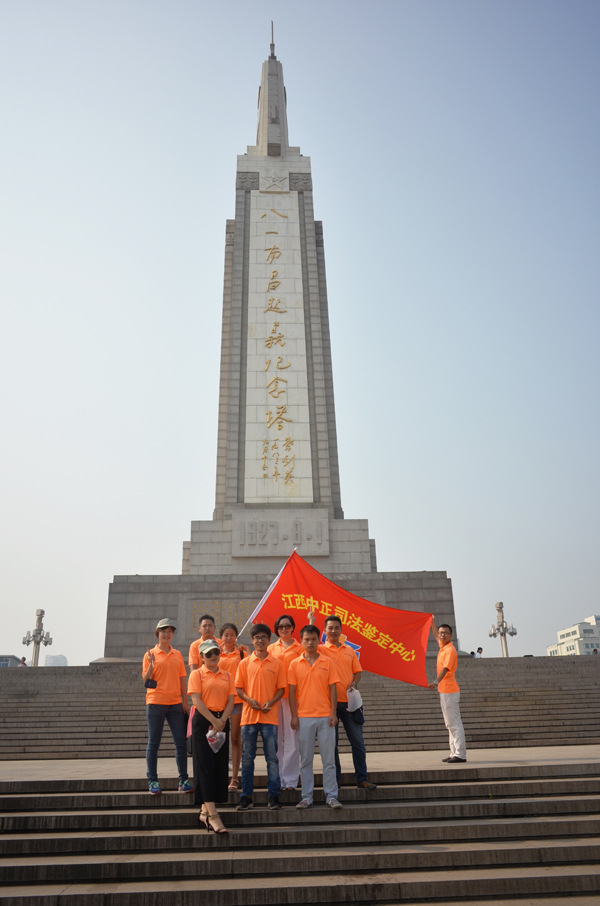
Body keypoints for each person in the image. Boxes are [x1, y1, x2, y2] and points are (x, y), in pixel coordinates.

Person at [315, 614, 377, 791]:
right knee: (331, 745)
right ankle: (335, 781)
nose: (333, 631)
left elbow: (357, 672)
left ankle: (362, 778)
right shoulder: (320, 650)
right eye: (330, 628)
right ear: (325, 631)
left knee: (357, 742)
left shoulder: (349, 651)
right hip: (329, 705)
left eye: (336, 628)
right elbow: (306, 644)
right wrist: (311, 622)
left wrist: (354, 682)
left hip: (350, 704)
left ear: (341, 630)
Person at [288, 624, 342, 809]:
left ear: (319, 640)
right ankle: (307, 796)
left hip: (326, 716)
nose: (310, 642)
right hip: (304, 717)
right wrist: (294, 716)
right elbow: (292, 692)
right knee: (306, 760)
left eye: (313, 639)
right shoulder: (294, 664)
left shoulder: (327, 662)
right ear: (301, 641)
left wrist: (333, 712)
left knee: (329, 760)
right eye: (306, 639)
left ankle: (332, 796)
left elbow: (333, 688)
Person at [235, 623, 286, 810]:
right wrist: (249, 699)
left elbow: (281, 689)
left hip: (269, 718)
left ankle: (274, 796)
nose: (260, 641)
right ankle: (246, 796)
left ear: (269, 640)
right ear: (252, 640)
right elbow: (238, 688)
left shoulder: (277, 663)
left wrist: (271, 703)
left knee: (272, 759)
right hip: (248, 718)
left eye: (264, 637)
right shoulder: (244, 663)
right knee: (247, 759)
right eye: (257, 638)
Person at [188, 639, 235, 834]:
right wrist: (213, 721)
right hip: (204, 722)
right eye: (208, 654)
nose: (213, 656)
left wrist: (222, 720)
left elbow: (231, 700)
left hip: (222, 721)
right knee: (205, 767)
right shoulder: (196, 674)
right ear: (202, 657)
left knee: (218, 767)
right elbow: (196, 700)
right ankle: (214, 816)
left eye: (215, 652)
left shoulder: (227, 675)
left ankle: (204, 812)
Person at [142, 618, 193, 795]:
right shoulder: (151, 654)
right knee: (153, 743)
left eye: (170, 631)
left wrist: (185, 702)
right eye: (164, 631)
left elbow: (182, 679)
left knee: (180, 742)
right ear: (158, 633)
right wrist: (151, 663)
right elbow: (146, 680)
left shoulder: (177, 654)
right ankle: (153, 781)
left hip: (175, 704)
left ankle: (183, 780)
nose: (167, 634)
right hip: (155, 702)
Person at [268, 614, 303, 791]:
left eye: (287, 625)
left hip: (292, 698)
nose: (284, 629)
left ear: (292, 628)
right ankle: (278, 779)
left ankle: (290, 780)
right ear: (276, 629)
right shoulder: (271, 648)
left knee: (291, 739)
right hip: (274, 698)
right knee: (275, 740)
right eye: (280, 626)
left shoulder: (300, 647)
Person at [428, 618, 466, 763]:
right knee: (449, 723)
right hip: (444, 691)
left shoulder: (450, 650)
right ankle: (453, 753)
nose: (442, 635)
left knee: (454, 723)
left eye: (445, 633)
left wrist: (436, 682)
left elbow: (445, 669)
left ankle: (460, 754)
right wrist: (432, 622)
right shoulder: (443, 646)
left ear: (451, 635)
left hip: (450, 690)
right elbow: (435, 635)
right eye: (441, 633)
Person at [218, 622, 245, 792]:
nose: (229, 638)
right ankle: (219, 777)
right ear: (220, 637)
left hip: (236, 701)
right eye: (226, 635)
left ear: (236, 637)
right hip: (218, 701)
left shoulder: (241, 654)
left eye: (232, 635)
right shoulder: (215, 654)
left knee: (235, 739)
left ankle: (234, 778)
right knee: (218, 741)